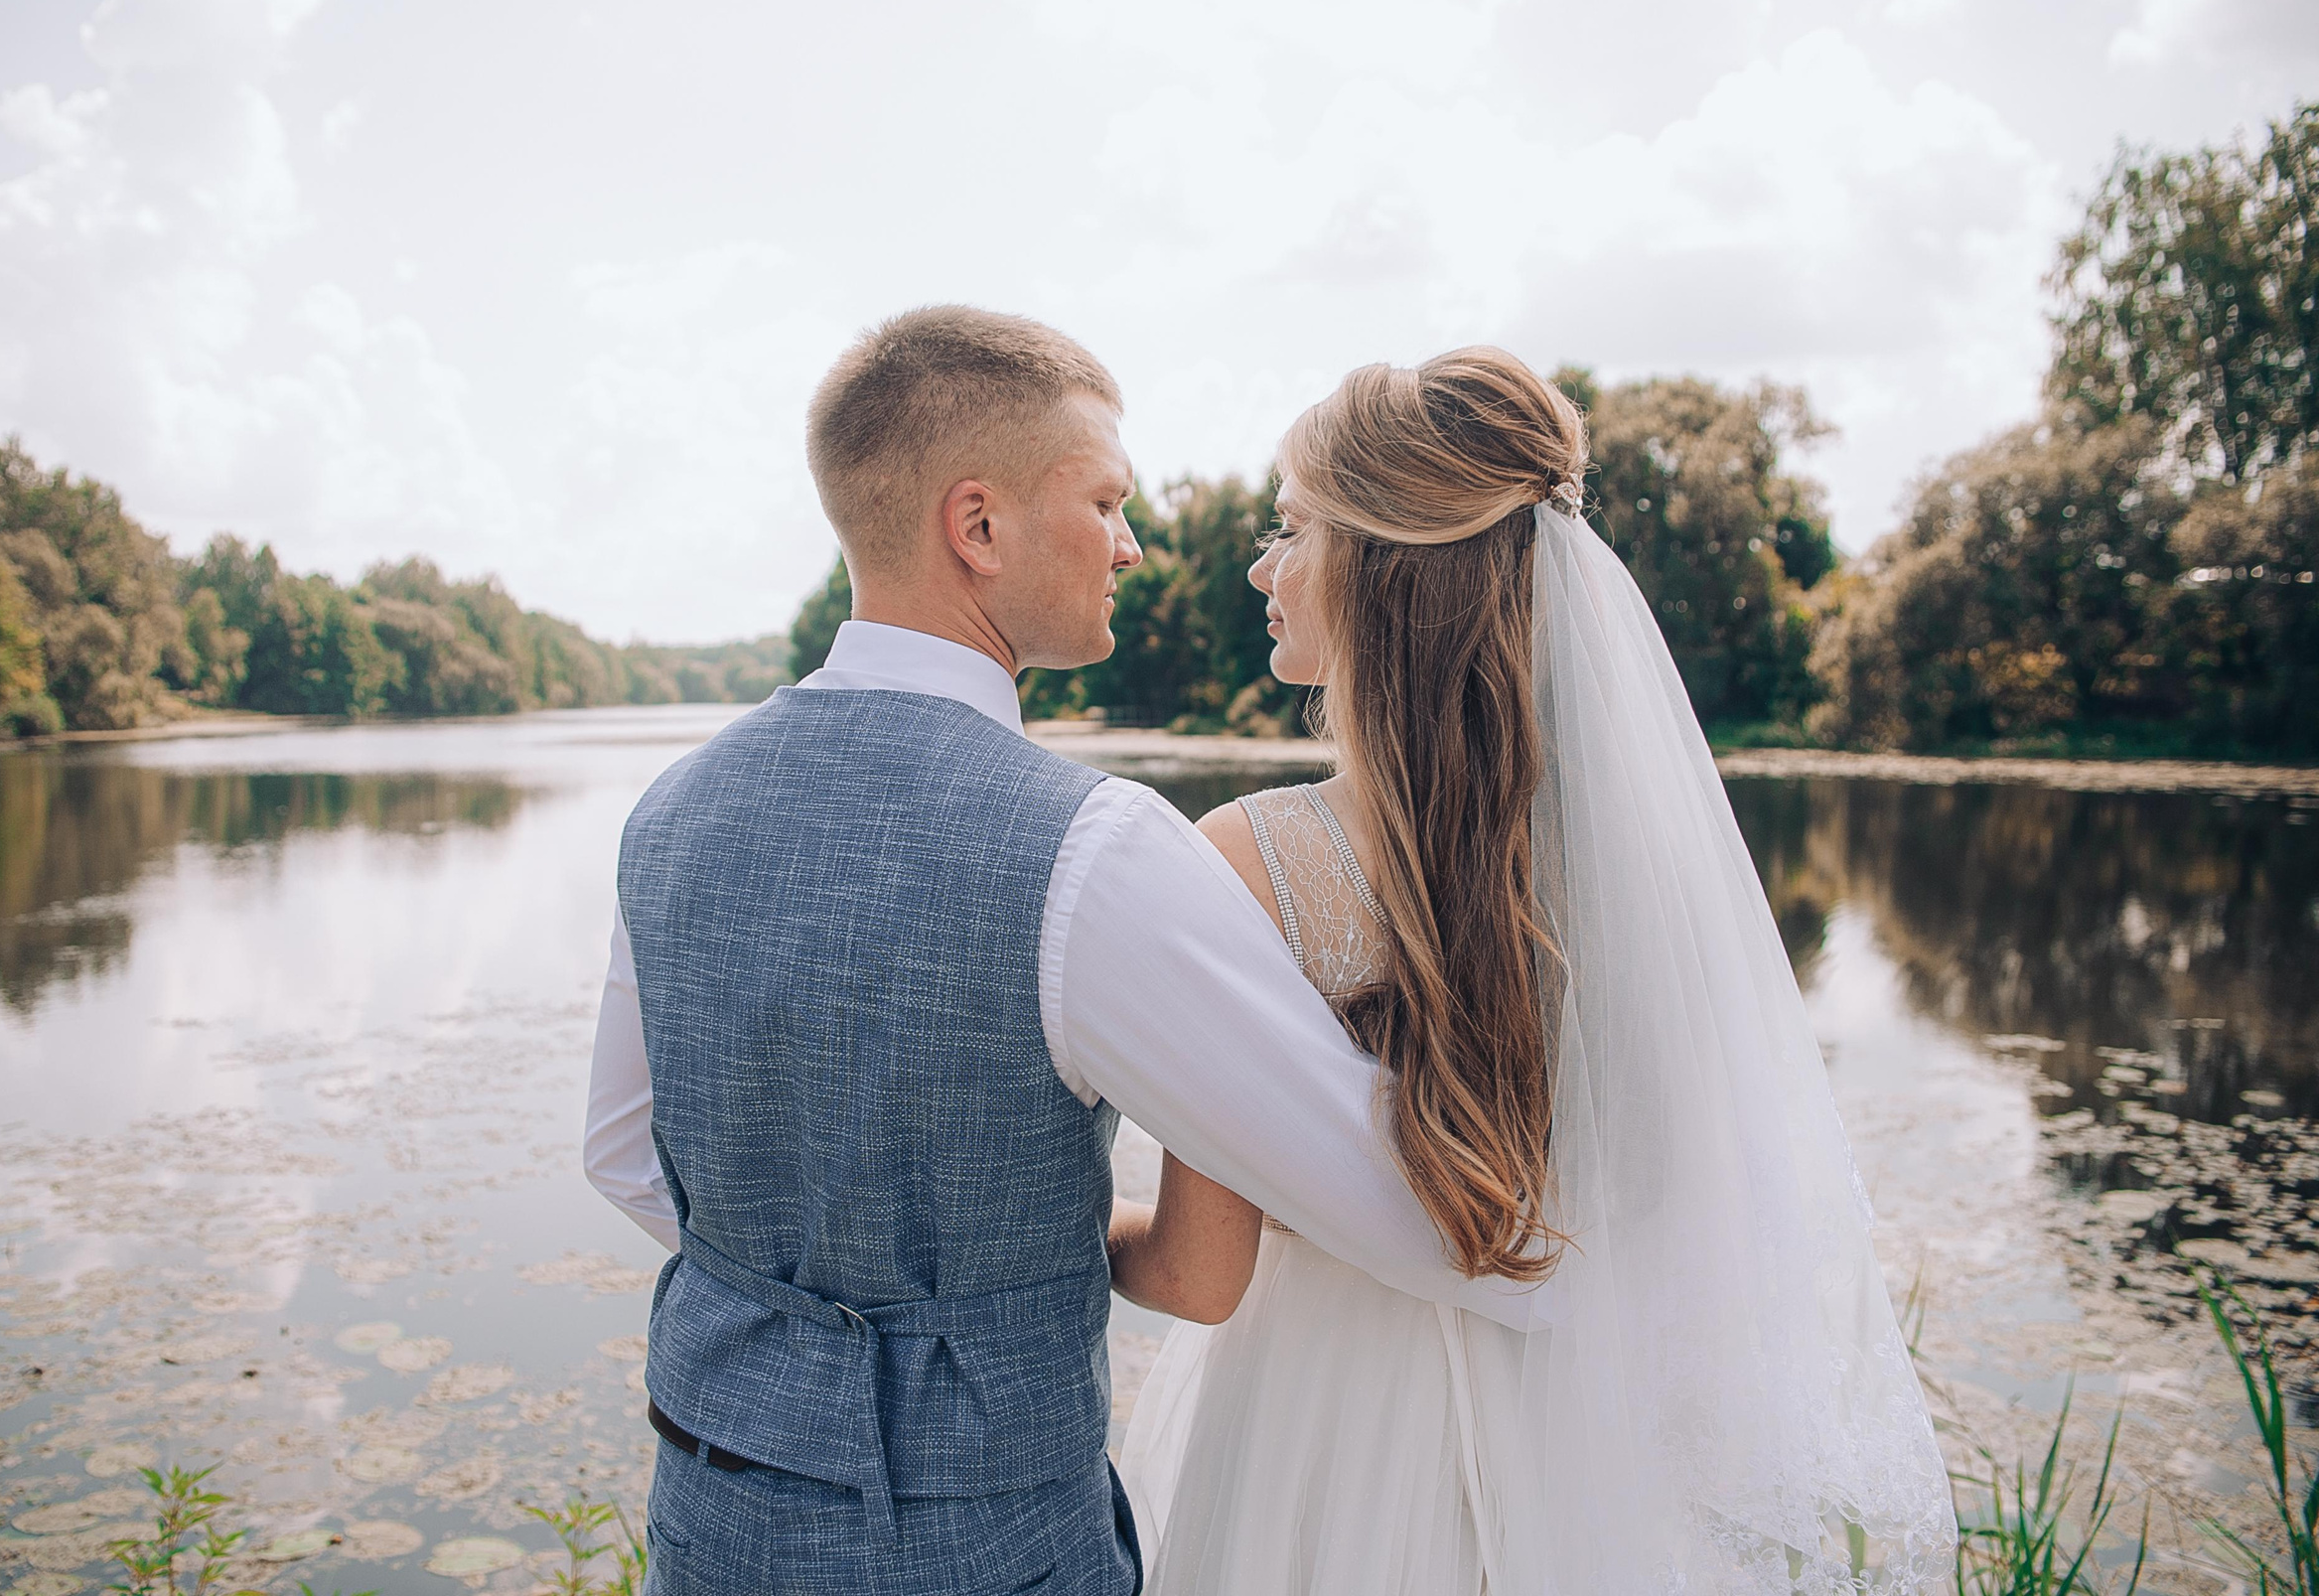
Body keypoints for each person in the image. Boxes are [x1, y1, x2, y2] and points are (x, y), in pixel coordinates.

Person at [581, 308, 1544, 1596]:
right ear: (978, 529)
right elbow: (1379, 1195)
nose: (1133, 544)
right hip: (988, 1553)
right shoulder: (1095, 854)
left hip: (712, 1529)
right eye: (1104, 501)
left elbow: (626, 1157)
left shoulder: (666, 817)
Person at [1111, 347, 1955, 1594]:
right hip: (1575, 1441)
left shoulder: (1254, 857)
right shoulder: (1637, 869)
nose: (1261, 570)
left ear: (1382, 567)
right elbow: (1670, 1194)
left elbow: (1197, 1272)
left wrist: (1054, 1223)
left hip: (1321, 1423)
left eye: (1291, 531)